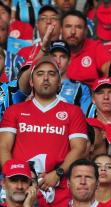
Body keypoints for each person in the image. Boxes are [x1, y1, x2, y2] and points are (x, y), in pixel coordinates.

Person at [0, 56, 88, 191]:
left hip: (59, 189)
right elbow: (3, 147)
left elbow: (79, 149)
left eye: (51, 74)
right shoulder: (14, 111)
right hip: (20, 187)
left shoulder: (74, 112)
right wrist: (16, 175)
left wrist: (57, 173)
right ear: (31, 81)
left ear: (59, 82)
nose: (45, 78)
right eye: (40, 74)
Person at [62, 9, 111, 85]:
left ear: (85, 31)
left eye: (78, 27)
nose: (73, 32)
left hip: (90, 95)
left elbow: (110, 69)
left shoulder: (95, 47)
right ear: (61, 30)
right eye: (68, 26)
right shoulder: (54, 49)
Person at [49, 39, 92, 113]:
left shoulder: (81, 88)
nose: (58, 61)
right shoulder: (37, 85)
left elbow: (86, 118)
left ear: (69, 61)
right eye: (54, 56)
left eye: (62, 57)